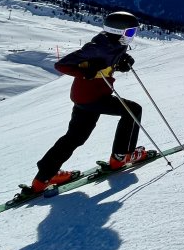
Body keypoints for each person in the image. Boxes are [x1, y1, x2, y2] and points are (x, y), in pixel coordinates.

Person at [29, 11, 148, 192]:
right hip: (94, 97)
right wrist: (87, 71)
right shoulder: (97, 47)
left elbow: (107, 62)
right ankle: (121, 156)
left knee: (75, 137)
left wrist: (121, 62)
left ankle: (43, 177)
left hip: (85, 97)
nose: (132, 36)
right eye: (130, 32)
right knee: (132, 110)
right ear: (116, 31)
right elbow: (61, 65)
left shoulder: (114, 44)